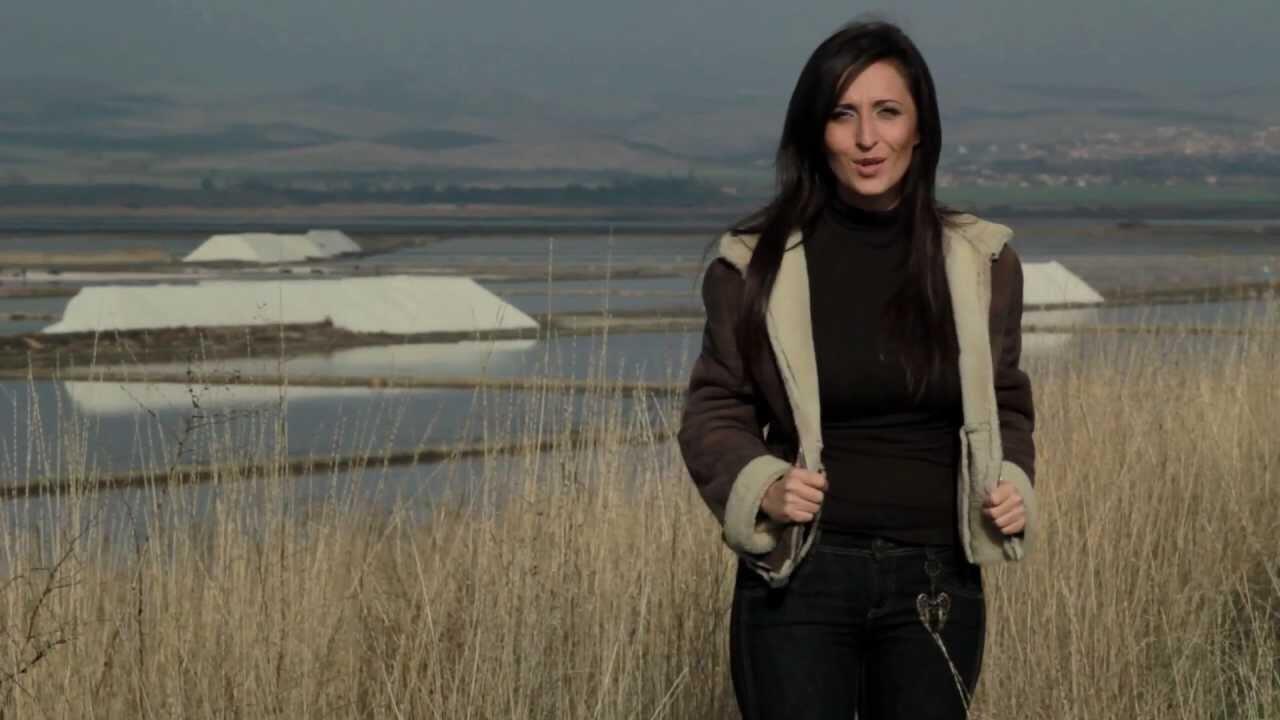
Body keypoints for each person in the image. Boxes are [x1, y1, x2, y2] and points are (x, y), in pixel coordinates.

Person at [676, 18, 1038, 720]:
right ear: (817, 133)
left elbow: (1007, 400)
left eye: (887, 112)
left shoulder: (982, 264)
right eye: (843, 115)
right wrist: (763, 485)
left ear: (920, 129)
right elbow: (714, 408)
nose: (867, 138)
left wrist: (1012, 481)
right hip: (801, 577)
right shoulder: (754, 265)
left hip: (937, 580)